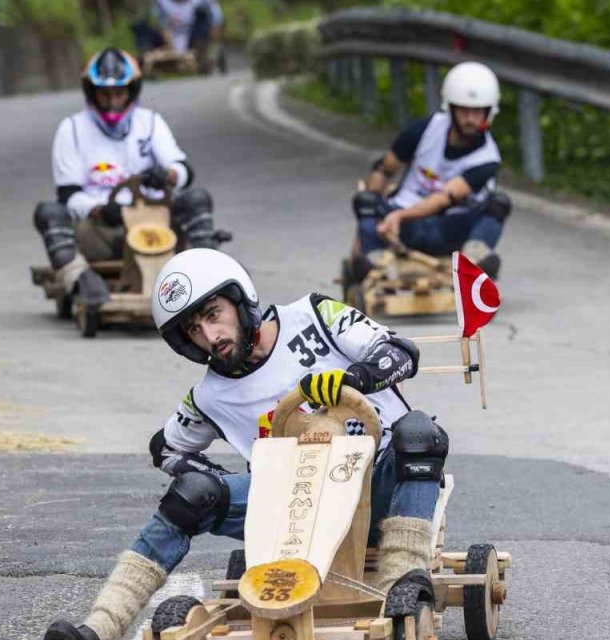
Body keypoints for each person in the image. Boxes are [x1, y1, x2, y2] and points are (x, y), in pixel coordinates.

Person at [43, 249, 451, 640]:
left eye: (212, 314)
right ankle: (100, 626)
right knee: (193, 493)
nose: (210, 336)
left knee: (417, 431)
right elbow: (165, 449)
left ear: (240, 301)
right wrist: (222, 481)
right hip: (291, 503)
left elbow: (401, 352)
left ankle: (403, 588)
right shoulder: (208, 397)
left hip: (375, 483)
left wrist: (354, 379)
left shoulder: (315, 315)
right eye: (193, 330)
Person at [34, 48, 222, 313]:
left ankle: (211, 278)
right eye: (105, 94)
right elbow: (68, 195)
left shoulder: (151, 123)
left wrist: (167, 175)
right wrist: (97, 209)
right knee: (48, 212)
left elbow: (183, 170)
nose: (113, 102)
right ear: (92, 92)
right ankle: (81, 280)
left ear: (131, 91)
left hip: (157, 226)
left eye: (119, 93)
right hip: (103, 230)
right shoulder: (71, 129)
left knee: (197, 198)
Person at [352, 61, 512, 279]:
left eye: (478, 112)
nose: (471, 119)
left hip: (452, 229)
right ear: (451, 109)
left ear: (489, 113)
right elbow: (385, 170)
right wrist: (366, 225)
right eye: (464, 111)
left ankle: (475, 258)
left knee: (499, 203)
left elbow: (444, 198)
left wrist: (400, 215)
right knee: (365, 200)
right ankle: (374, 260)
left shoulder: (488, 159)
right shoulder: (424, 130)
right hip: (406, 228)